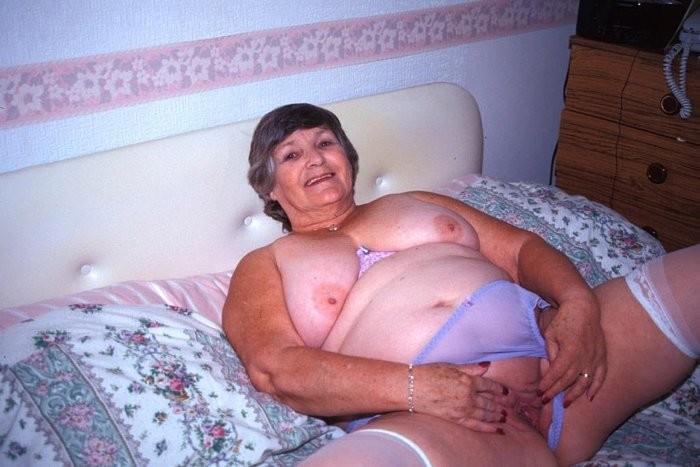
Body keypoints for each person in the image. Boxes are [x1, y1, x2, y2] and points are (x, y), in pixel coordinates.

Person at [222, 103, 699, 466]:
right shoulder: (266, 263)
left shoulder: (415, 201)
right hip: (432, 416)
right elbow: (275, 369)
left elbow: (520, 249)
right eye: (291, 154)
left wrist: (578, 306)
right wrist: (417, 389)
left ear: (348, 157)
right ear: (268, 187)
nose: (316, 159)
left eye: (326, 143)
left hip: (562, 365)